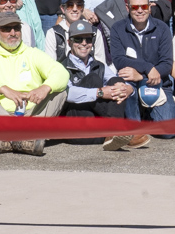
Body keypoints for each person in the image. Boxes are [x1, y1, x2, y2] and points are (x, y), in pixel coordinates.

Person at [0, 10, 69, 155]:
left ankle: (7, 139)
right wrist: (3, 89)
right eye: (7, 29)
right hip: (0, 114)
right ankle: (25, 139)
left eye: (16, 28)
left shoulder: (32, 53)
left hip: (31, 117)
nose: (13, 32)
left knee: (60, 90)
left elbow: (61, 73)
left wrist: (45, 88)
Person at [58, 18, 143, 151]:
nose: (84, 43)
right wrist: (100, 92)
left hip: (94, 125)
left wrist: (128, 88)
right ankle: (119, 130)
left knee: (117, 82)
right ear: (69, 42)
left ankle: (113, 135)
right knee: (93, 79)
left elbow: (116, 82)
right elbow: (67, 93)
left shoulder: (99, 65)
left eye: (88, 39)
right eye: (78, 39)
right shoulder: (61, 66)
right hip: (75, 123)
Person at [108, 0, 175, 132]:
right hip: (130, 82)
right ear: (128, 8)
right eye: (135, 7)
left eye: (144, 6)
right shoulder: (118, 28)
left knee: (168, 133)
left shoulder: (162, 28)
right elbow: (119, 60)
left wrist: (142, 76)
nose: (140, 10)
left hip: (158, 83)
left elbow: (167, 64)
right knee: (125, 85)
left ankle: (148, 115)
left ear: (150, 7)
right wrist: (148, 68)